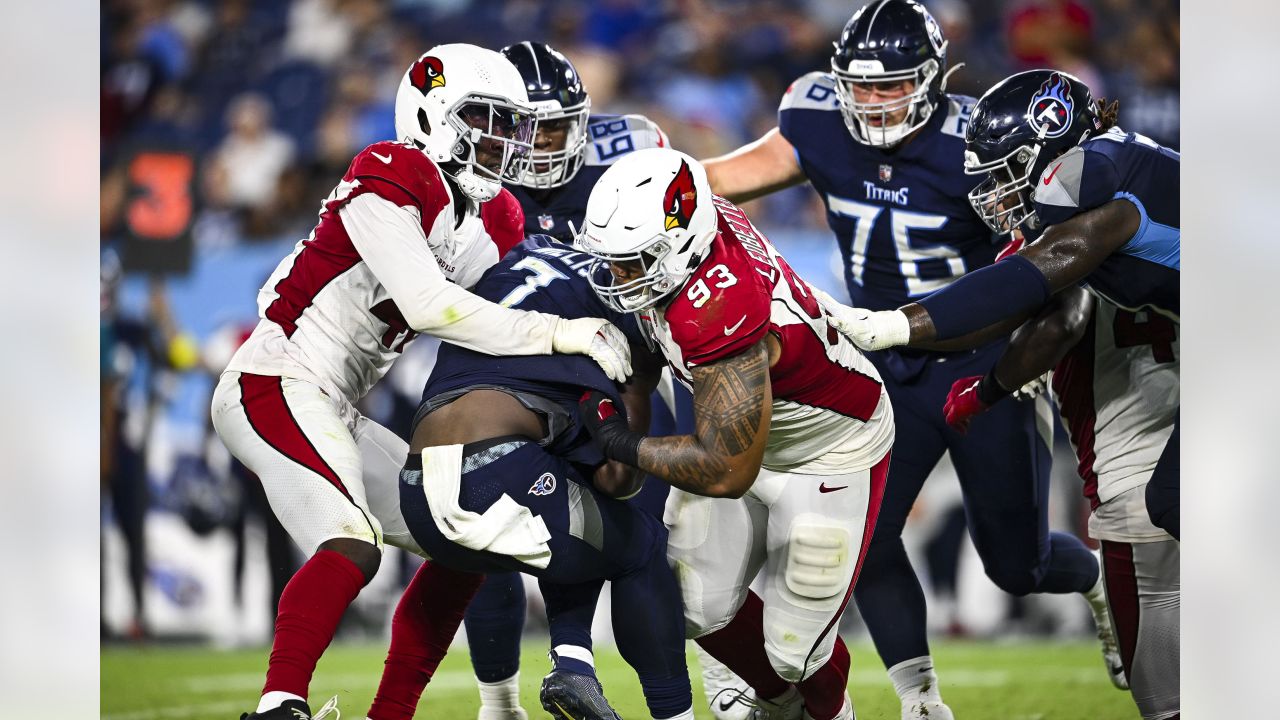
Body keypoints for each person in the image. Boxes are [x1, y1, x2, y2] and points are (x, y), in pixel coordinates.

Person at [698, 2, 1117, 715]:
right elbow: (718, 179)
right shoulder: (816, 118)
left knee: (1017, 566)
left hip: (988, 359)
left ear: (931, 77)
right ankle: (919, 697)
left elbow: (1050, 254)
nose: (873, 100)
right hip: (881, 362)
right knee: (865, 537)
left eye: (892, 85)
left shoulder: (976, 139)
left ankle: (1096, 581)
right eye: (861, 86)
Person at [210, 44, 633, 720]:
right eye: (485, 118)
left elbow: (518, 308)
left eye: (510, 122)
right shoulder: (392, 168)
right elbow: (430, 306)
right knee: (350, 541)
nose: (504, 139)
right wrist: (563, 335)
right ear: (435, 115)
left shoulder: (496, 218)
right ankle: (278, 704)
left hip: (335, 401)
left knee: (467, 534)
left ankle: (392, 713)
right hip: (275, 377)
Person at [577, 147, 895, 720]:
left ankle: (829, 710)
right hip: (742, 434)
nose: (620, 277)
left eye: (636, 261)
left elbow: (725, 469)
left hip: (827, 449)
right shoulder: (693, 228)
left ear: (683, 247)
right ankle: (776, 705)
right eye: (615, 261)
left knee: (797, 651)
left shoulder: (719, 304)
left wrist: (618, 441)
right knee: (692, 606)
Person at [832, 69, 1181, 541]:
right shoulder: (1104, 177)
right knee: (1175, 501)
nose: (998, 189)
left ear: (1051, 142)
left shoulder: (1100, 178)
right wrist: (984, 391)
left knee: (1177, 500)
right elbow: (1050, 316)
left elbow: (1028, 280)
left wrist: (894, 324)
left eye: (1008, 170)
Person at [363, 235, 695, 720]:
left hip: (416, 484)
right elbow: (617, 478)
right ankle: (671, 713)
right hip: (497, 473)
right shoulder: (628, 298)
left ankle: (533, 686)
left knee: (570, 512)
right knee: (638, 545)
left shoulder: (520, 259)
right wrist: (629, 420)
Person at [942, 286, 1180, 719]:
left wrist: (985, 391)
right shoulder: (1172, 241)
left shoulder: (1076, 251)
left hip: (1133, 481)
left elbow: (1062, 324)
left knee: (1167, 702)